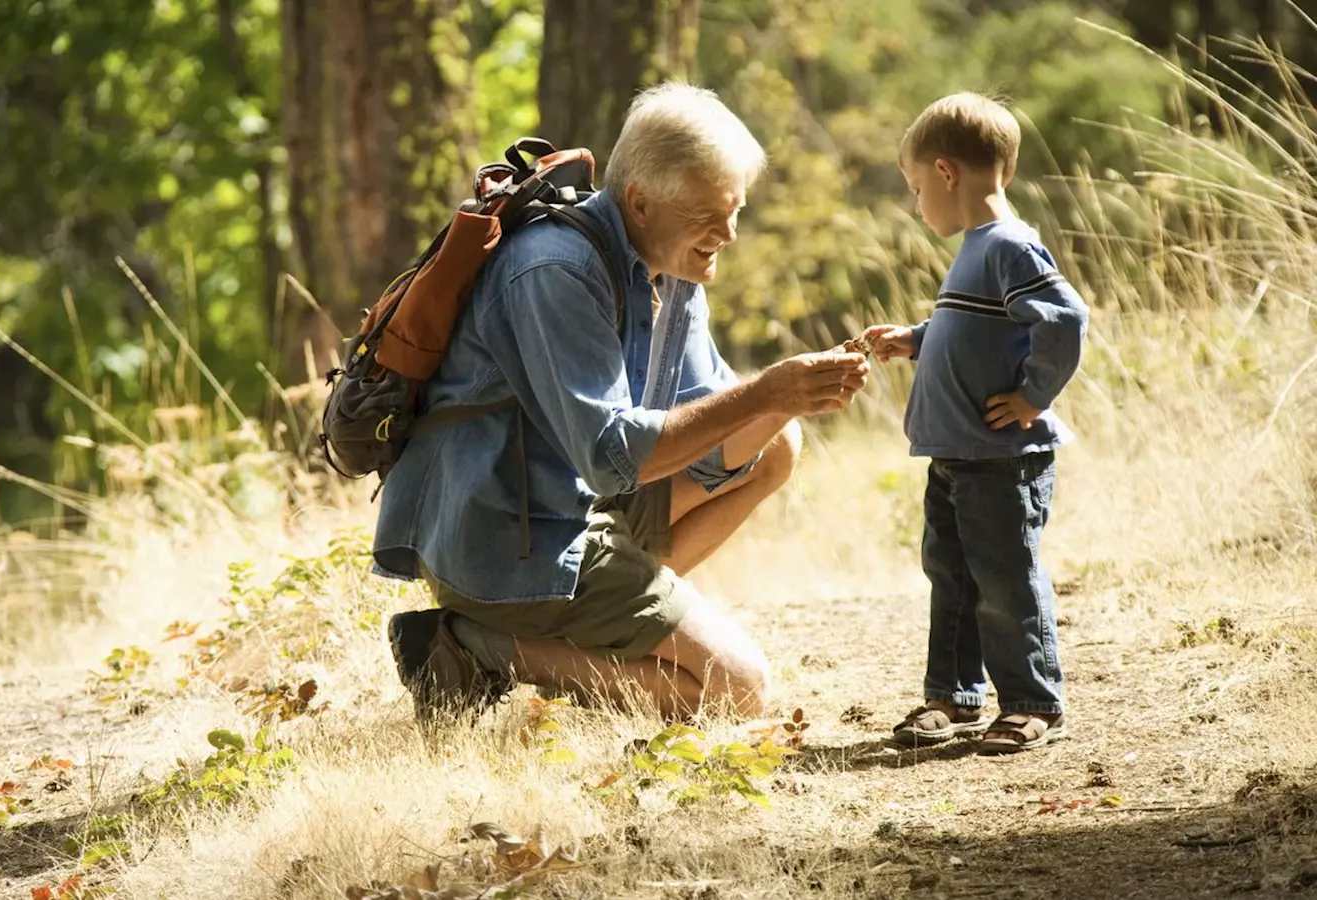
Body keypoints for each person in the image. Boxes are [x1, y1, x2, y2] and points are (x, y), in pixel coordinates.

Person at [372, 82, 871, 722]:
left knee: (777, 442)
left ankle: (595, 633)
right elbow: (613, 458)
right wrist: (768, 388)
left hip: (578, 505)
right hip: (507, 536)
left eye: (736, 210)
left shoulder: (675, 267)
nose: (730, 233)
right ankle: (476, 646)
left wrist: (787, 401)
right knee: (737, 690)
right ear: (639, 202)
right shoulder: (554, 269)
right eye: (710, 214)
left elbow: (705, 426)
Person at [864, 92, 1089, 754]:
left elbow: (1064, 319)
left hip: (999, 456)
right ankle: (954, 697)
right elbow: (977, 330)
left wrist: (1033, 397)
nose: (915, 204)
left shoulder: (1009, 246)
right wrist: (915, 338)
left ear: (943, 172)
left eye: (913, 188)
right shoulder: (976, 250)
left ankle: (1031, 702)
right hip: (957, 450)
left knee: (1003, 577)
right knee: (953, 574)